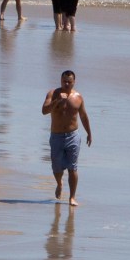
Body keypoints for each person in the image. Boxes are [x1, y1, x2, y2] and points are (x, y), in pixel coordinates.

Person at [41, 68, 93, 206]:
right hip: (56, 136)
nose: (67, 84)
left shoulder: (78, 97)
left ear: (74, 82)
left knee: (73, 168)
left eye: (69, 82)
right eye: (64, 81)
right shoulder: (53, 94)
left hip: (73, 136)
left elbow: (83, 116)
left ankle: (72, 197)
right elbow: (44, 111)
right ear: (60, 80)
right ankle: (59, 183)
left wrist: (89, 133)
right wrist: (55, 102)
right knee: (57, 167)